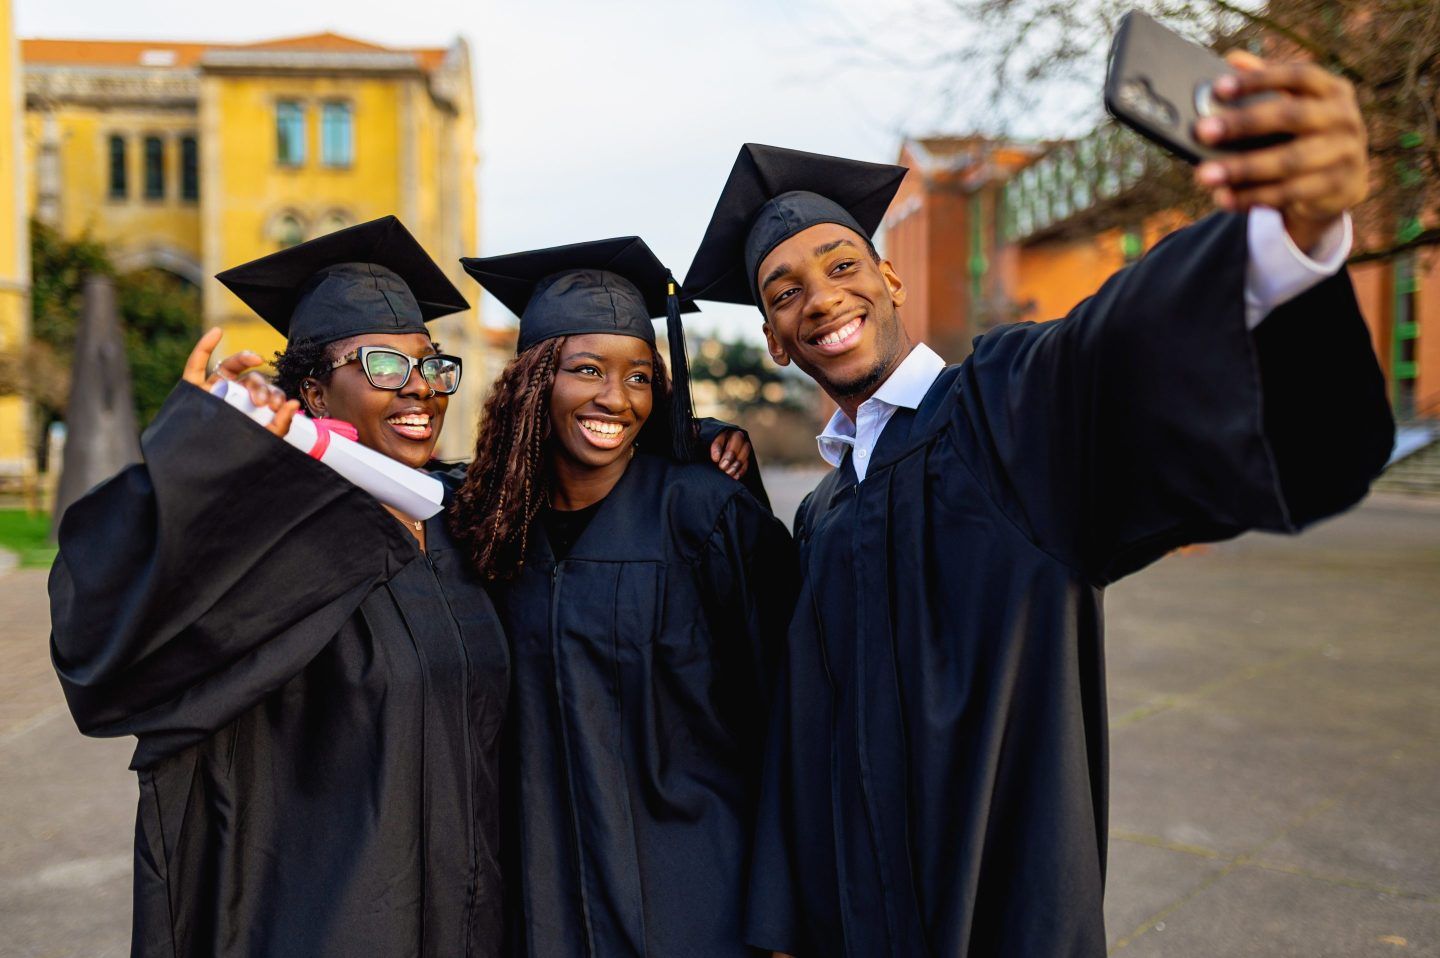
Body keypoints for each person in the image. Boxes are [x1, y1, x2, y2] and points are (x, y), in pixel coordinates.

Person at [681, 55, 1395, 956]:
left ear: (891, 281)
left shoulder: (1001, 414)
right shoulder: (822, 517)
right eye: (785, 293)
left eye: (842, 264)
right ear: (775, 341)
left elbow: (1118, 342)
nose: (822, 298)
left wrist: (1289, 231)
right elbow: (804, 741)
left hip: (1005, 921)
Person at [49, 216, 510, 957]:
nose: (419, 386)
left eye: (430, 365)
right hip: (321, 922)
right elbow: (109, 633)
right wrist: (202, 458)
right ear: (314, 394)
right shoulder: (269, 539)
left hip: (470, 917)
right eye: (384, 365)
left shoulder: (466, 521)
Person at [450, 236, 799, 956]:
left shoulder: (707, 518)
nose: (617, 397)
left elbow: (790, 720)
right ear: (531, 381)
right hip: (541, 909)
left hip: (701, 906)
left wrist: (785, 919)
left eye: (640, 377)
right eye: (587, 370)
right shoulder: (485, 531)